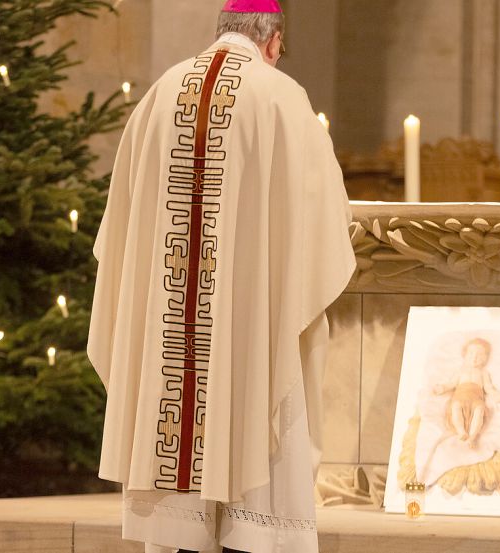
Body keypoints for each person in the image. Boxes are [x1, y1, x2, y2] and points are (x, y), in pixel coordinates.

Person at [88, 1, 355, 551]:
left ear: (222, 32)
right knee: (259, 411)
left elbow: (121, 227)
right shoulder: (282, 97)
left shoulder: (161, 93)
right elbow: (326, 222)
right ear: (274, 41)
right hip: (246, 333)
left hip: (170, 340)